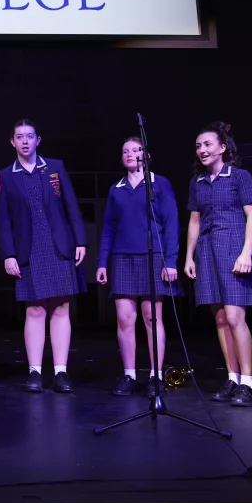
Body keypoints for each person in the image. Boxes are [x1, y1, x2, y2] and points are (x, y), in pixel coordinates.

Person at [0, 119, 87, 394]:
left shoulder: (55, 168)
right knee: (34, 309)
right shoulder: (5, 176)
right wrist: (8, 254)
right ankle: (34, 372)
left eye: (30, 136)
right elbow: (3, 220)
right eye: (19, 137)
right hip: (28, 247)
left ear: (38, 140)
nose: (25, 141)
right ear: (12, 142)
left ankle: (61, 372)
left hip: (58, 244)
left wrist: (80, 240)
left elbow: (71, 205)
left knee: (60, 307)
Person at [185, 122, 252, 407]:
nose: (202, 150)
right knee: (220, 319)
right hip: (207, 253)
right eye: (198, 146)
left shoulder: (239, 177)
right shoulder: (197, 183)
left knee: (234, 318)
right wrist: (189, 257)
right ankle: (232, 378)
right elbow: (194, 221)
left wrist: (246, 253)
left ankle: (248, 383)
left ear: (222, 148)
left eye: (207, 144)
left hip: (233, 249)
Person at [96, 136, 180, 397]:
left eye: (136, 150)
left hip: (154, 255)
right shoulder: (116, 189)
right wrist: (102, 262)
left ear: (147, 155)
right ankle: (129, 375)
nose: (130, 154)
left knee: (151, 317)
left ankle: (156, 375)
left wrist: (171, 260)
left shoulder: (159, 184)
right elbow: (108, 228)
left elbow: (172, 223)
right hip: (123, 257)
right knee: (124, 318)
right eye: (125, 151)